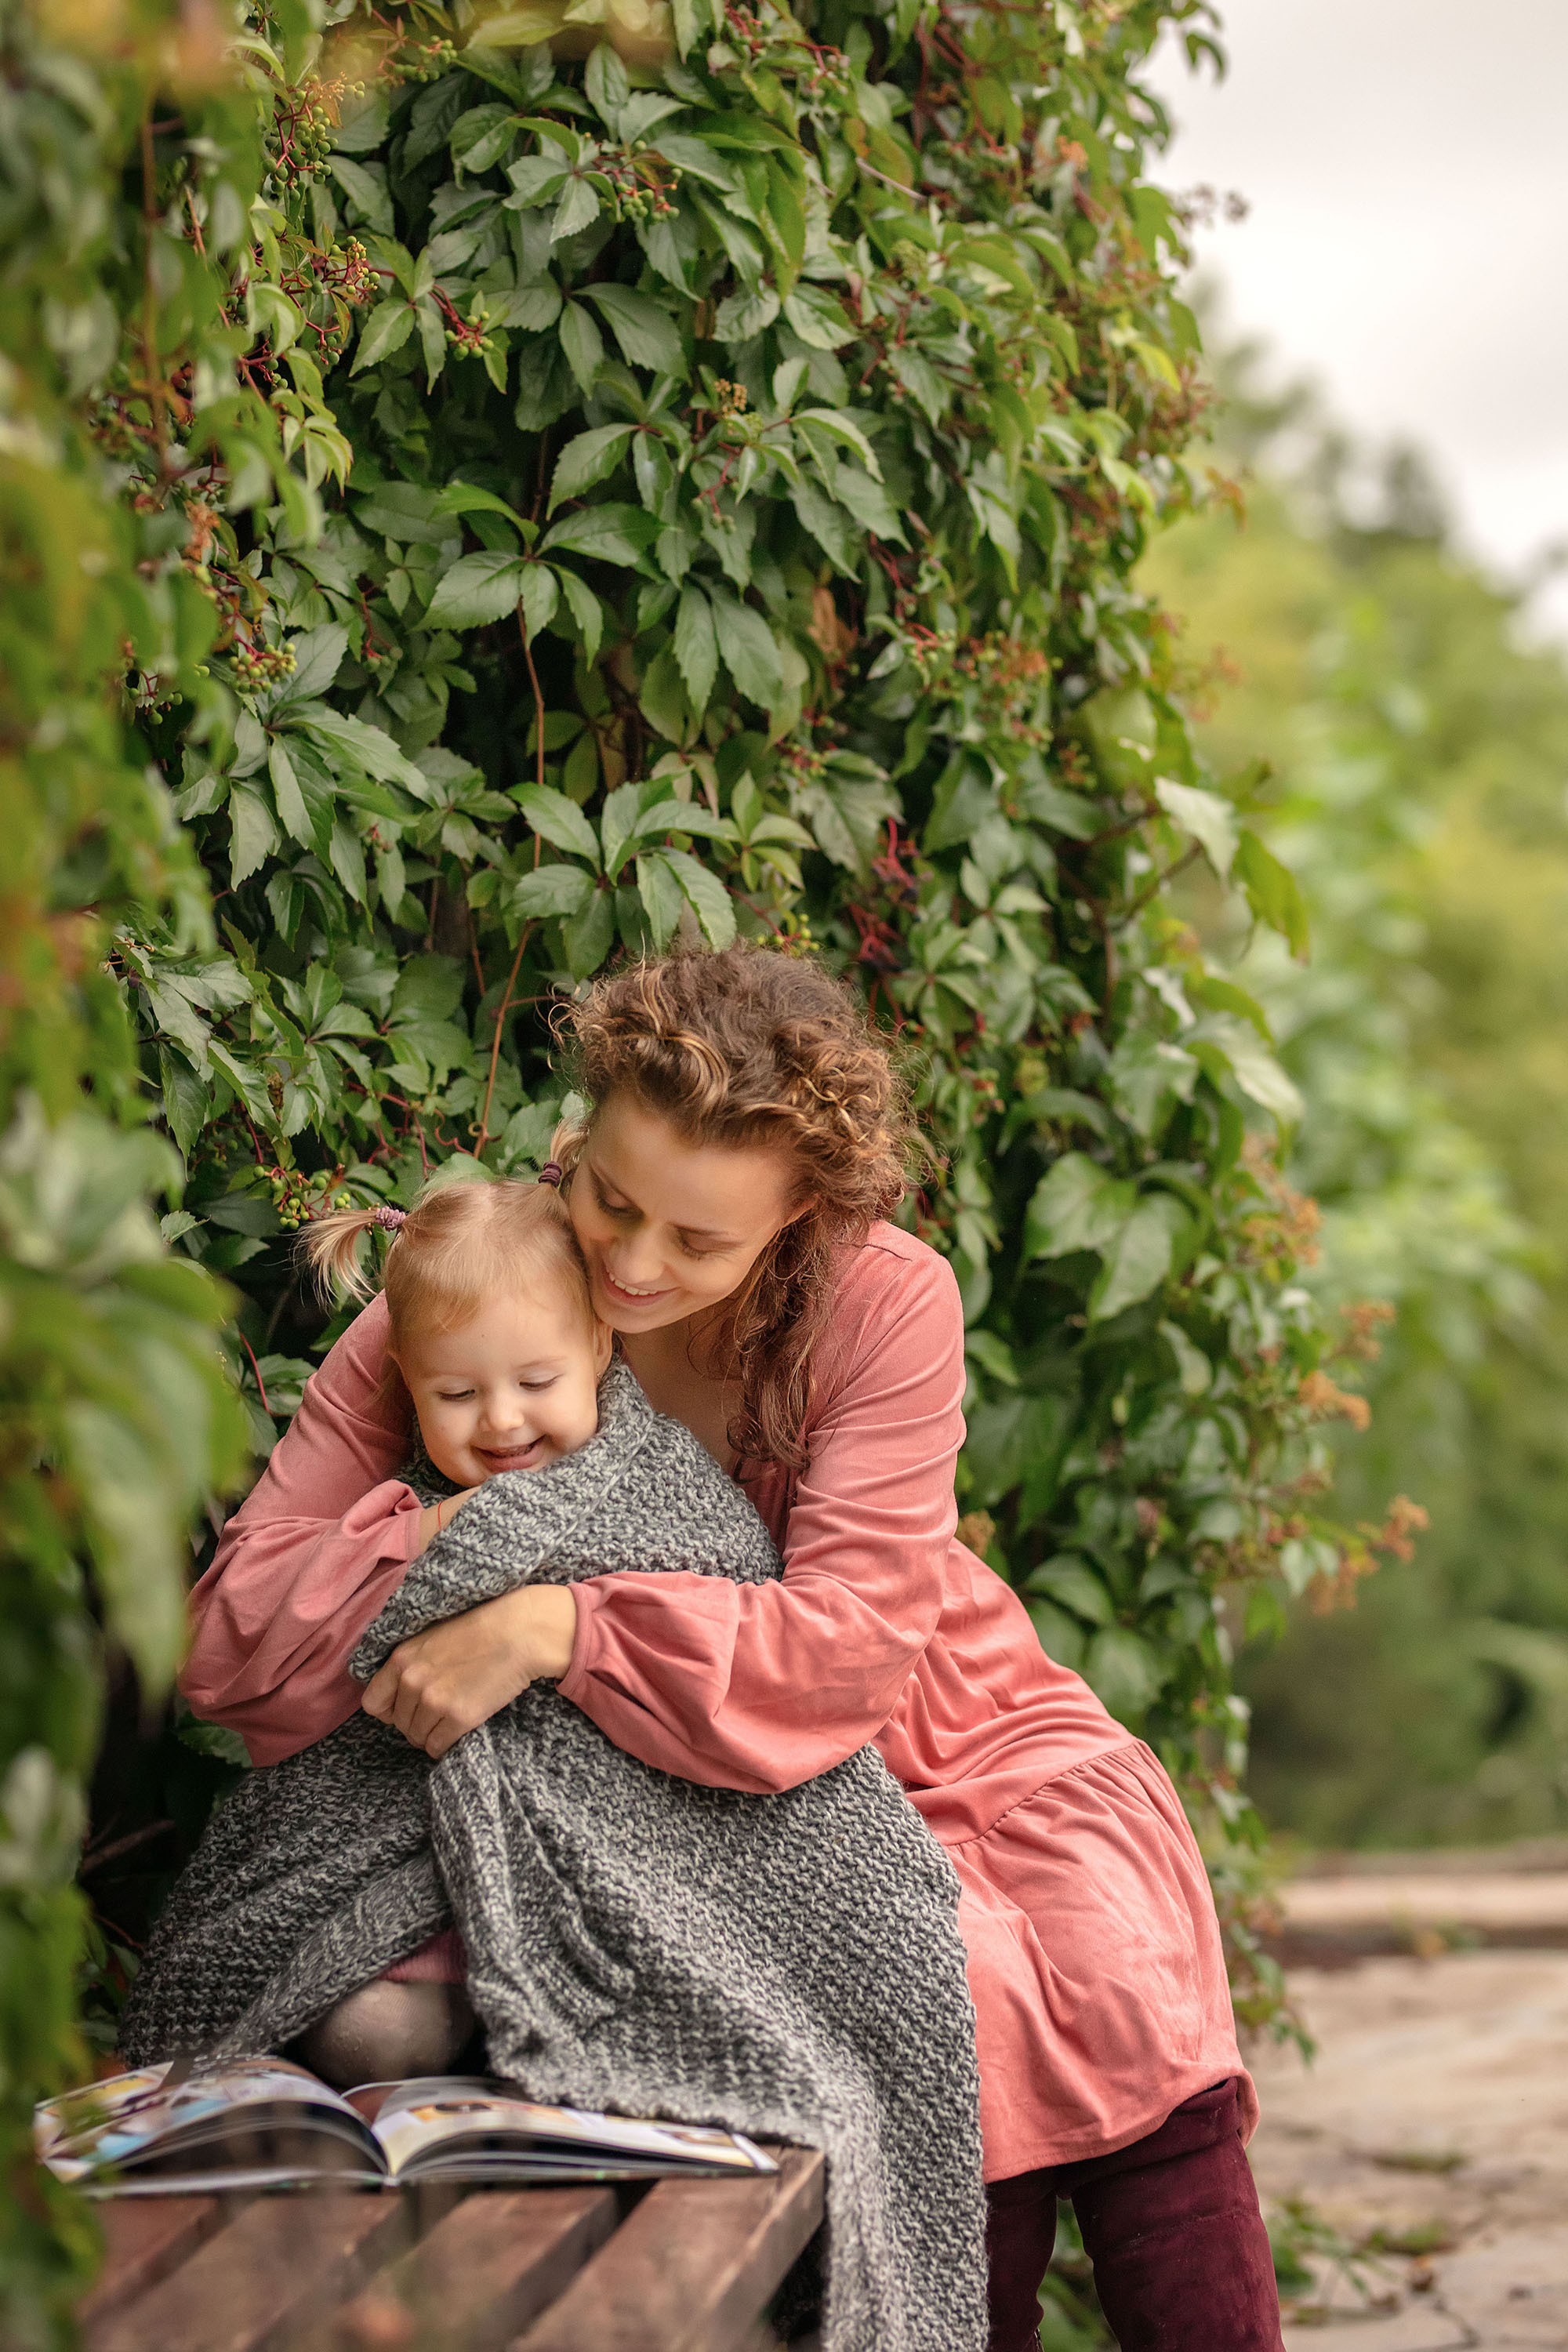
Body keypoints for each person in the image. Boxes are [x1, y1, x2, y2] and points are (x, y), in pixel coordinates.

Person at [182, 944, 1283, 2352]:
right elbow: (231, 1632)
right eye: (611, 1201)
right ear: (579, 1138)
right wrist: (466, 1528)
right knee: (950, 2001)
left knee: (1104, 1969)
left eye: (699, 1243)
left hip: (929, 1718)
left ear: (800, 1216)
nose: (634, 1266)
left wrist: (558, 1619)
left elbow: (845, 1651)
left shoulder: (885, 1301)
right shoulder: (484, 1283)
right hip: (659, 1798)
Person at [288, 1173, 612, 2085]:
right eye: (457, 1394)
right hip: (426, 1863)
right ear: (408, 1387)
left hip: (603, 1855)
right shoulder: (402, 1509)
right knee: (362, 2036)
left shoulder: (652, 1480)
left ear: (598, 1345)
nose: (503, 1420)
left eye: (536, 1381)